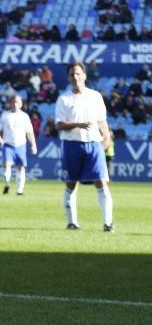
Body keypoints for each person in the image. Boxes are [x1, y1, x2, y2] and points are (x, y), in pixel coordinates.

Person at [54, 62, 114, 232]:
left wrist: (107, 137)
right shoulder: (64, 99)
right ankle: (72, 222)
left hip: (93, 144)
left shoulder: (95, 96)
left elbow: (102, 120)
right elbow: (58, 124)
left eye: (78, 74)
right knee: (71, 184)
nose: (75, 77)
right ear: (68, 77)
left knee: (101, 182)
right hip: (72, 145)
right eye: (72, 74)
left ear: (85, 75)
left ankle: (108, 223)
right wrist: (79, 124)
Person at [0, 95, 38, 195]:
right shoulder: (5, 115)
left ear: (21, 104)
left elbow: (29, 132)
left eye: (17, 102)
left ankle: (20, 190)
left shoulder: (24, 116)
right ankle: (7, 184)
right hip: (8, 144)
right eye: (13, 102)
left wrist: (33, 145)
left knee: (21, 167)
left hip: (20, 145)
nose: (15, 104)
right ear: (10, 103)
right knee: (7, 165)